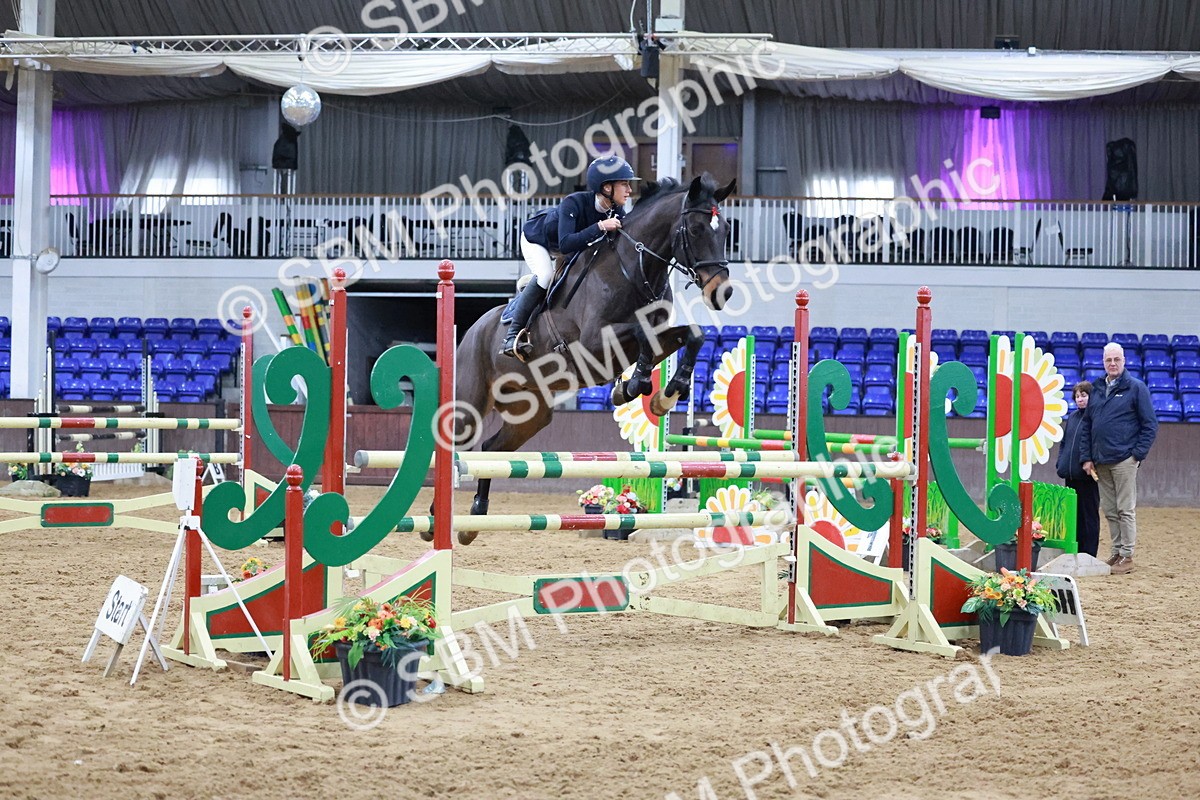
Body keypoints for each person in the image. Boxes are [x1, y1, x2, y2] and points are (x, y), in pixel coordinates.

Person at [499, 154, 639, 359]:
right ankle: (511, 336)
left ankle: (533, 286)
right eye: (624, 184)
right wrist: (600, 226)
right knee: (546, 275)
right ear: (607, 187)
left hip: (572, 247)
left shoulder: (616, 210)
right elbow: (565, 244)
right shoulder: (573, 202)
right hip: (538, 240)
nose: (629, 190)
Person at [1079, 342, 1158, 575]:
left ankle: (1127, 555)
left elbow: (1150, 425)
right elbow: (1087, 425)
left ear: (1124, 361)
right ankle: (1116, 552)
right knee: (1110, 510)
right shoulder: (1096, 388)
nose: (1112, 364)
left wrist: (1137, 455)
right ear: (1103, 362)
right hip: (1101, 461)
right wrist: (1087, 457)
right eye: (1108, 360)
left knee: (1125, 509)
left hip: (1124, 460)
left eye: (1116, 359)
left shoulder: (1136, 388)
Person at [1056, 380, 1100, 558]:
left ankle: (1089, 553)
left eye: (1084, 395)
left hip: (1087, 476)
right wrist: (1061, 463)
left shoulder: (1096, 417)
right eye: (1077, 396)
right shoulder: (1073, 417)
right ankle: (1076, 549)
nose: (1080, 399)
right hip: (1070, 475)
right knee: (1074, 515)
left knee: (1089, 515)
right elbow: (1064, 443)